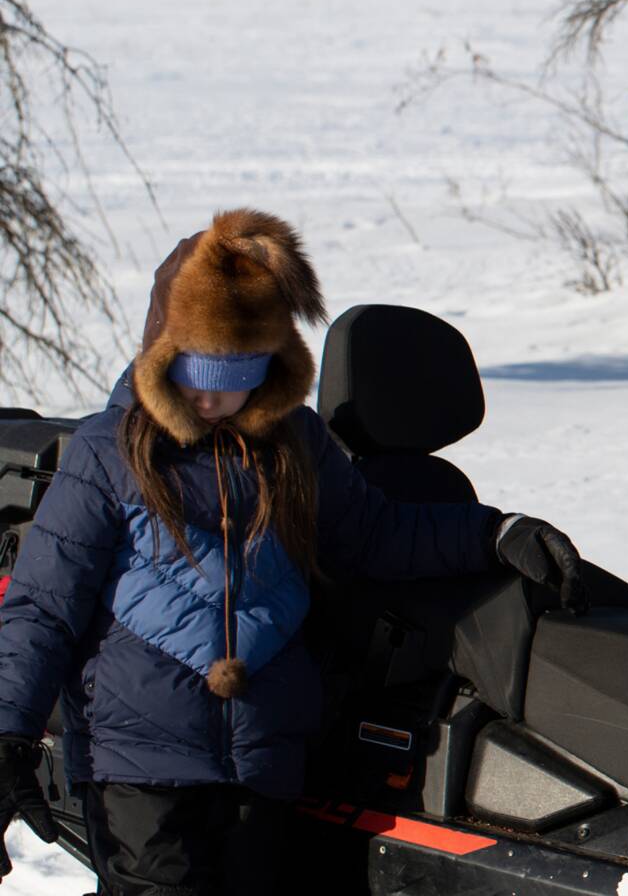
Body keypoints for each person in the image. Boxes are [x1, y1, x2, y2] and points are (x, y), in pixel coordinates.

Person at [0, 209, 592, 893]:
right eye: (197, 369)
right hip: (137, 759)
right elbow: (44, 605)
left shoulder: (296, 446)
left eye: (240, 370)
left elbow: (375, 535)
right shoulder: (109, 454)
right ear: (161, 351)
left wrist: (493, 533)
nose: (215, 395)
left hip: (261, 755)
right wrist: (9, 730)